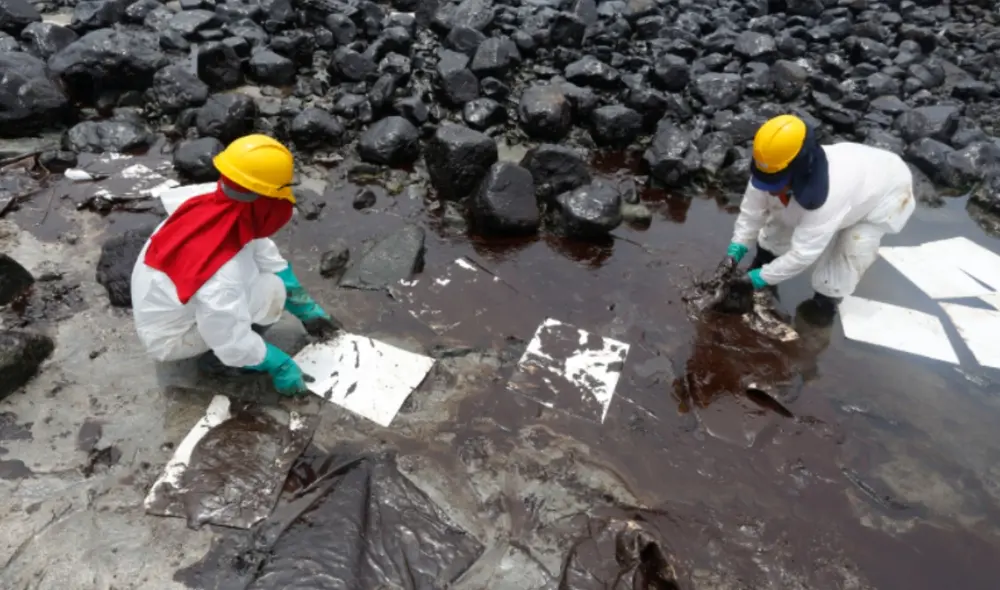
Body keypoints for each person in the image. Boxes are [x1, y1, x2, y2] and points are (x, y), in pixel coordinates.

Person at [131, 134, 341, 396]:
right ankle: (217, 360)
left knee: (264, 281)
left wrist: (306, 308)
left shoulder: (216, 202)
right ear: (264, 196)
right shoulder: (221, 275)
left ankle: (233, 345)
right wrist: (278, 364)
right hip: (171, 338)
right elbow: (228, 335)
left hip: (165, 305)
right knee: (270, 293)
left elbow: (262, 250)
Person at [719, 114, 916, 325]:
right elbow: (751, 215)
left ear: (800, 171)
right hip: (857, 174)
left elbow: (803, 255)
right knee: (779, 219)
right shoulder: (770, 165)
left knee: (852, 246)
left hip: (884, 193)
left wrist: (756, 279)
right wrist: (734, 253)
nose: (770, 190)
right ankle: (765, 260)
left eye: (776, 184)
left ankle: (823, 306)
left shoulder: (832, 192)